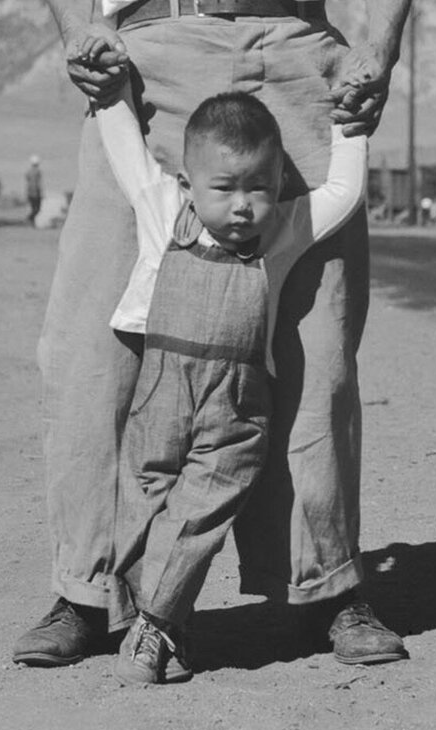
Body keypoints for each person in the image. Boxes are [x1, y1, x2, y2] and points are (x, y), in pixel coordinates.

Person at [13, 0, 416, 670]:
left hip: (292, 61)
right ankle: (85, 587)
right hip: (148, 70)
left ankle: (332, 587)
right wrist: (79, 29)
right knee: (91, 335)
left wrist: (373, 49)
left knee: (312, 343)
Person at [91, 78, 367, 684]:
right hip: (160, 393)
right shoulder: (163, 208)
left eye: (259, 188)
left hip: (237, 408)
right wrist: (110, 88)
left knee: (200, 510)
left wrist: (351, 126)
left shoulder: (281, 235)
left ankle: (152, 626)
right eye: (225, 188)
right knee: (145, 502)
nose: (243, 206)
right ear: (189, 183)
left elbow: (343, 191)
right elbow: (124, 147)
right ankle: (167, 626)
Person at [24, 156, 43, 225]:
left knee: (34, 209)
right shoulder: (37, 171)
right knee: (37, 209)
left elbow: (28, 180)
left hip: (30, 192)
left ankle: (32, 223)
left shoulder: (28, 171)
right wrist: (38, 193)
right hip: (35, 193)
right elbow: (36, 183)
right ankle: (29, 219)